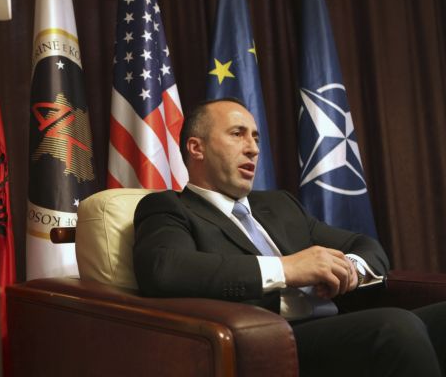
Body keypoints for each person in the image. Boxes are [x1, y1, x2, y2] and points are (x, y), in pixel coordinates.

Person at [133, 98, 445, 377]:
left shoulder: (279, 205)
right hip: (274, 341)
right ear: (196, 148)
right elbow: (164, 269)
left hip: (340, 322)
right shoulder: (170, 207)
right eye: (237, 134)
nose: (253, 148)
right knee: (396, 328)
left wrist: (349, 267)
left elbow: (364, 245)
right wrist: (286, 269)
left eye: (255, 137)